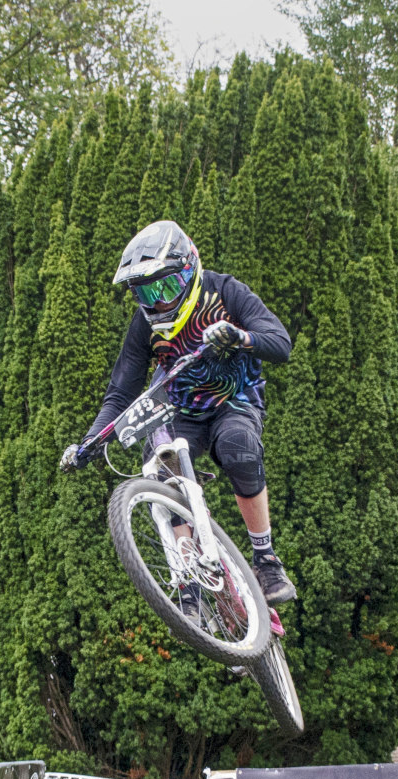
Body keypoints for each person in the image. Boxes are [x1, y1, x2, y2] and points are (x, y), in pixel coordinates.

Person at [59, 220, 297, 608]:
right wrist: (89, 441)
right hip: (176, 408)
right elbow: (121, 391)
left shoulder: (225, 291)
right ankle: (187, 575)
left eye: (166, 287)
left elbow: (280, 343)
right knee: (161, 463)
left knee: (239, 447)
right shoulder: (144, 324)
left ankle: (266, 559)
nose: (158, 301)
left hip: (232, 400)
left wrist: (241, 338)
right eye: (145, 292)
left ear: (189, 271)